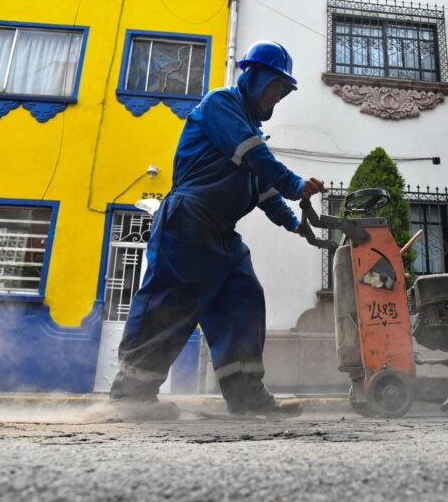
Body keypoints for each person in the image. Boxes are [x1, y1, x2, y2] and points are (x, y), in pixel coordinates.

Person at [109, 41, 326, 417]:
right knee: (168, 302)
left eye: (282, 92)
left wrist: (294, 224)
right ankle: (132, 394)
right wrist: (295, 185)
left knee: (242, 297)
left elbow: (262, 190)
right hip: (188, 221)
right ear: (254, 77)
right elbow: (255, 157)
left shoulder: (249, 130)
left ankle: (246, 396)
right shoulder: (221, 104)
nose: (277, 97)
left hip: (222, 232)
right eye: (274, 87)